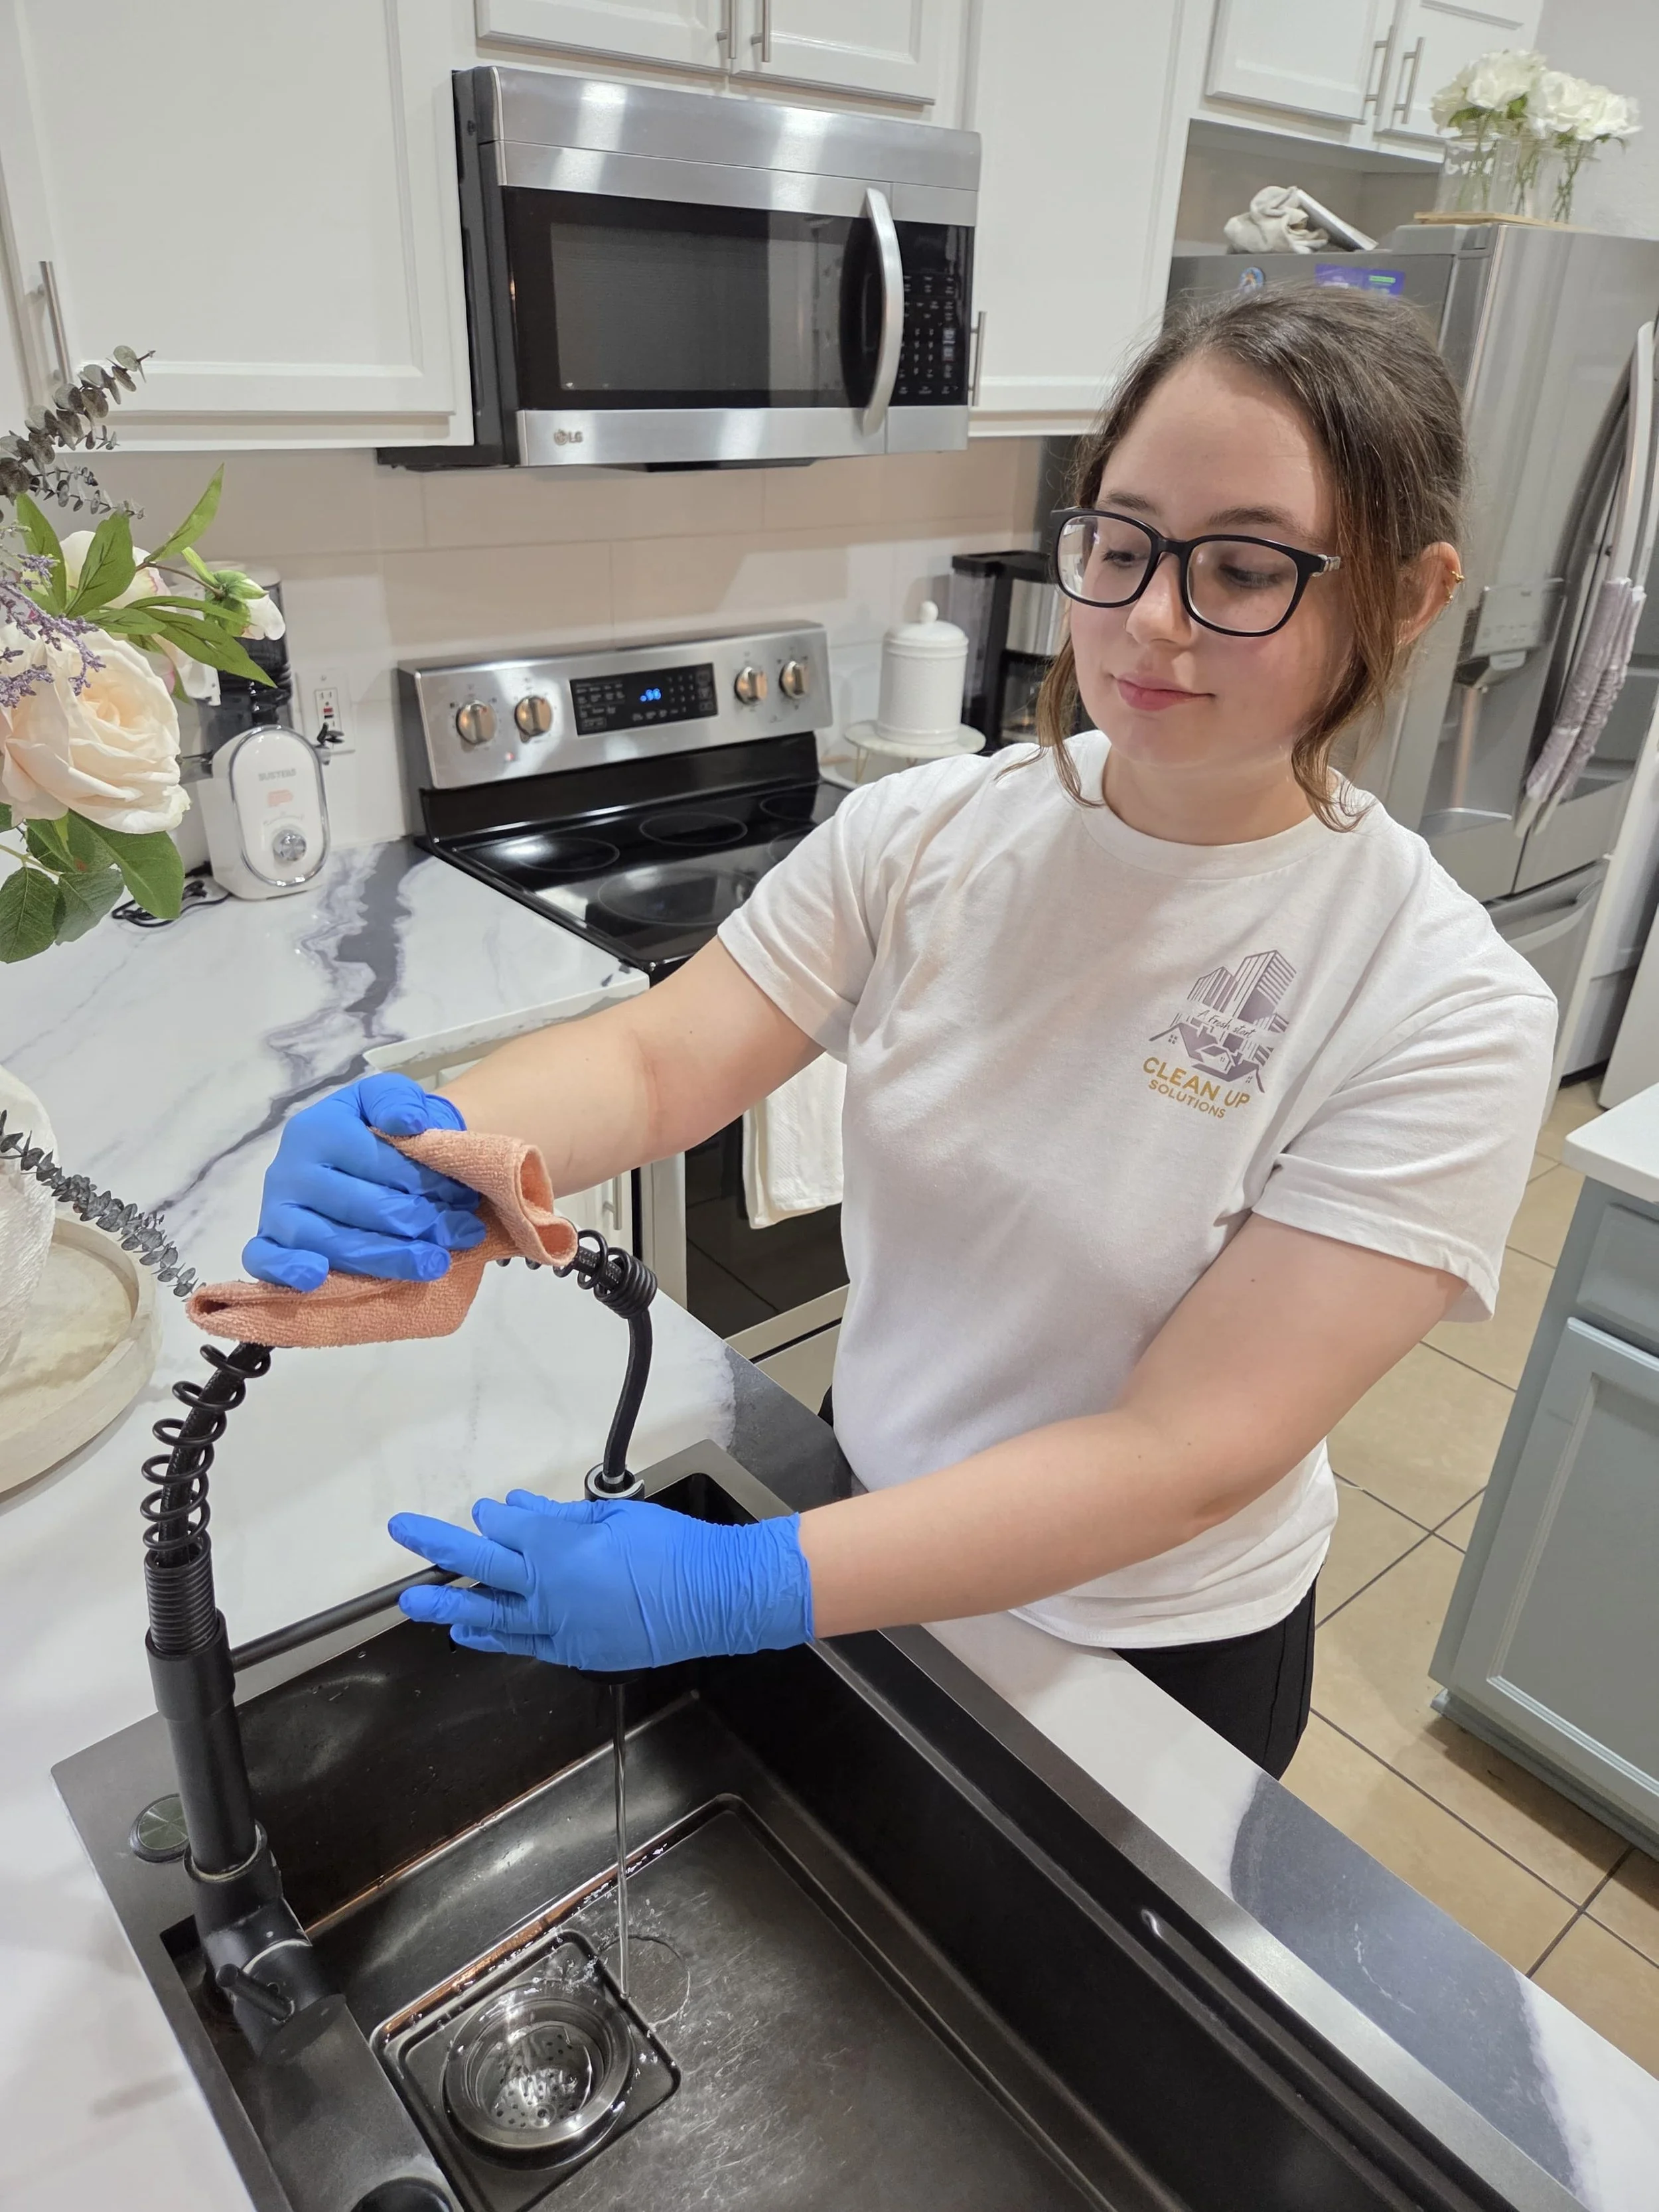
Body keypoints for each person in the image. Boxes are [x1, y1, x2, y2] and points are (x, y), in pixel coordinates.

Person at [246, 287, 1556, 1779]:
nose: (1145, 620)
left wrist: (740, 1582)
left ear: (1402, 598)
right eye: (1117, 543)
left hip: (1131, 1642)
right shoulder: (934, 829)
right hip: (870, 1520)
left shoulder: (1441, 1006)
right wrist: (433, 1133)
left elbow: (1180, 1457)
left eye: (1242, 568)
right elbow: (660, 1058)